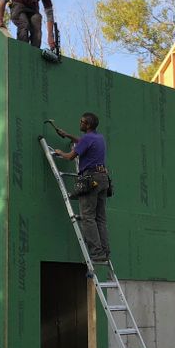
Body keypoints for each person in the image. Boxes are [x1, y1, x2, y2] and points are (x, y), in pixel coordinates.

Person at [54, 112, 110, 262]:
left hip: (91, 179)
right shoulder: (99, 138)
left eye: (82, 122)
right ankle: (104, 251)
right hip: (103, 179)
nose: (80, 123)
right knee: (100, 218)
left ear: (88, 125)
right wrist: (68, 135)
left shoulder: (87, 139)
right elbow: (82, 142)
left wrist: (60, 153)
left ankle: (97, 253)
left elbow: (71, 156)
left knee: (88, 217)